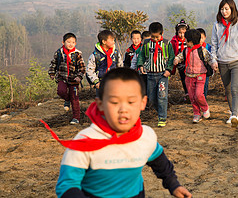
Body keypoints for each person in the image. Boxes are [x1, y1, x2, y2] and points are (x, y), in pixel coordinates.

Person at [44, 67, 191, 198]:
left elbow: (160, 163)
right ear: (100, 104)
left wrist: (174, 185)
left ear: (142, 103)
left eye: (131, 102)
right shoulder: (84, 142)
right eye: (114, 102)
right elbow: (67, 185)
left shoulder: (145, 136)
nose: (123, 109)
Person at [173, 29, 217, 123]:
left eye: (186, 40)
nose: (185, 41)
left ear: (191, 41)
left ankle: (205, 108)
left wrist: (213, 64)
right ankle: (196, 113)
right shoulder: (186, 50)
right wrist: (176, 59)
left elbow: (210, 58)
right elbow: (180, 56)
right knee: (192, 96)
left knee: (198, 95)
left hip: (200, 75)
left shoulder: (202, 50)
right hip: (188, 76)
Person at [137, 22, 175, 127]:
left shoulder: (167, 44)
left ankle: (162, 118)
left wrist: (169, 69)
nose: (155, 39)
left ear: (162, 33)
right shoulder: (146, 44)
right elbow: (141, 56)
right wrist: (140, 65)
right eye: (153, 37)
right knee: (152, 98)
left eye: (157, 37)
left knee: (162, 96)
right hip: (150, 75)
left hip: (163, 75)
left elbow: (171, 58)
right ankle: (161, 111)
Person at [48, 33, 86, 125]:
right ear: (63, 42)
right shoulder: (59, 53)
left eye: (73, 42)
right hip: (62, 78)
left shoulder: (77, 54)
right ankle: (67, 99)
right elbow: (53, 64)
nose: (70, 44)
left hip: (74, 80)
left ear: (75, 43)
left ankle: (76, 117)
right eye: (68, 42)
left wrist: (79, 76)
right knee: (61, 91)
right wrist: (52, 73)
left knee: (75, 99)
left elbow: (82, 67)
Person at [86, 30, 123, 97]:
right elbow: (90, 70)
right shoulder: (95, 55)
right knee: (101, 102)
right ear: (104, 42)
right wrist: (96, 82)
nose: (114, 42)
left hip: (114, 81)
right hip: (101, 83)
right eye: (112, 40)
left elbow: (120, 66)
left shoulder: (115, 53)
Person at [170, 19, 190, 101]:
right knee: (183, 78)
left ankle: (191, 93)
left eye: (184, 33)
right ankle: (187, 93)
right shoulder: (174, 41)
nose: (182, 35)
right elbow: (172, 51)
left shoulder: (189, 40)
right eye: (180, 33)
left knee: (190, 78)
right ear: (177, 32)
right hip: (180, 63)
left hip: (189, 62)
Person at [131, 30, 151, 96]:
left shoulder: (153, 49)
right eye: (146, 41)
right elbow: (134, 62)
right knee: (142, 90)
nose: (147, 43)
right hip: (141, 74)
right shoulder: (139, 50)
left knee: (151, 90)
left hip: (151, 73)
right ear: (142, 41)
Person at [197, 28, 212, 99]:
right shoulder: (193, 48)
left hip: (206, 71)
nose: (200, 40)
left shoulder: (208, 47)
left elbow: (211, 57)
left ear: (205, 38)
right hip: (196, 71)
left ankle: (204, 99)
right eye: (198, 38)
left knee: (205, 85)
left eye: (202, 38)